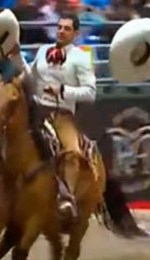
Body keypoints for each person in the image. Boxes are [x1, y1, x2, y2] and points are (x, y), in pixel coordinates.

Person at [8, 14, 96, 221]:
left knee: (72, 152)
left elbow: (90, 93)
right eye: (59, 27)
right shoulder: (43, 51)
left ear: (76, 33)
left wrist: (62, 90)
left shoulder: (81, 57)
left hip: (61, 115)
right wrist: (17, 58)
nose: (61, 31)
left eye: (66, 28)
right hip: (35, 110)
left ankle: (68, 197)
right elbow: (31, 78)